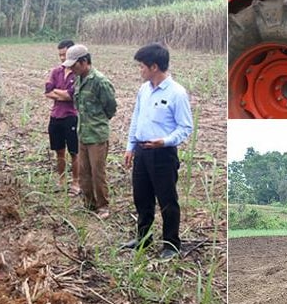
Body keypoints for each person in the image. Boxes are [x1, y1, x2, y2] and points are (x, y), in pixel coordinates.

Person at [121, 44, 193, 260]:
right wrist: (130, 146)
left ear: (154, 67)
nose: (139, 70)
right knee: (141, 198)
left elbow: (185, 127)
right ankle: (143, 237)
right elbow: (136, 119)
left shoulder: (177, 93)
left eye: (142, 66)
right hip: (142, 152)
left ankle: (171, 244)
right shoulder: (144, 90)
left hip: (163, 154)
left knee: (167, 201)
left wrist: (164, 141)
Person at [63, 44, 117, 218]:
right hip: (82, 133)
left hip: (96, 135)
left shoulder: (100, 81)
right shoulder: (78, 79)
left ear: (84, 61)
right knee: (84, 172)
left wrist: (98, 122)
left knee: (97, 172)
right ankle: (89, 203)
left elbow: (110, 107)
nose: (71, 69)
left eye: (74, 65)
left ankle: (103, 206)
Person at [44, 39, 81, 196]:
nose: (61, 58)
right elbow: (47, 91)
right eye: (59, 55)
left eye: (64, 54)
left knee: (74, 152)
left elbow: (72, 96)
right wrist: (63, 93)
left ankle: (76, 182)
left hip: (71, 117)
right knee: (59, 151)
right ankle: (61, 180)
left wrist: (57, 92)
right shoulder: (56, 72)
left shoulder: (78, 74)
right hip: (56, 116)